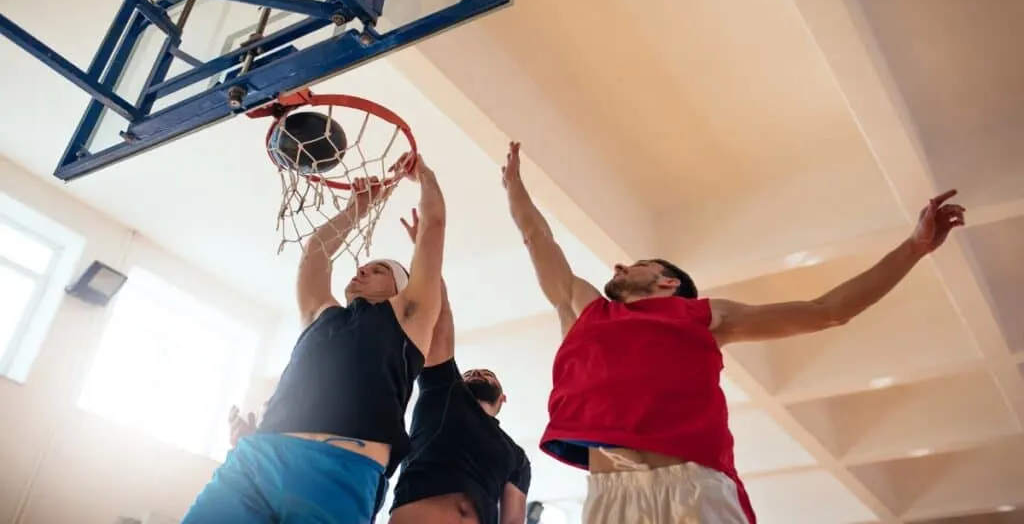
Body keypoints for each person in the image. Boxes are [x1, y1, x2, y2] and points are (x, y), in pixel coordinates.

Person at [501, 141, 965, 524]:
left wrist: (914, 248)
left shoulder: (705, 316)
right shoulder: (586, 309)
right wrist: (515, 187)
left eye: (638, 263)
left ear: (667, 283)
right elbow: (537, 238)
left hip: (692, 487)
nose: (621, 265)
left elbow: (828, 310)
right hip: (610, 496)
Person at [182, 154, 447, 524]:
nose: (363, 269)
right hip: (258, 456)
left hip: (340, 468)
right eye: (364, 265)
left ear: (400, 288)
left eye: (379, 269)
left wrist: (425, 177)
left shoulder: (408, 320)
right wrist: (359, 207)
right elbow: (315, 255)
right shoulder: (321, 314)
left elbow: (433, 227)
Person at [389, 209, 531, 524]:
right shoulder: (444, 391)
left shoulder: (516, 455)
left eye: (486, 374)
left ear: (502, 398)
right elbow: (439, 321)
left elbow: (513, 520)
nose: (477, 373)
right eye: (469, 373)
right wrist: (426, 255)